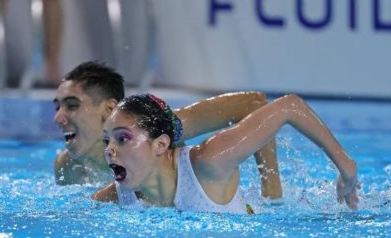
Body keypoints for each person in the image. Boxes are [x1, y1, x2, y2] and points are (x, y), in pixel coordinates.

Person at [92, 93, 359, 213]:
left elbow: (288, 106)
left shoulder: (208, 162)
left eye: (123, 139)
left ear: (161, 145)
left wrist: (346, 168)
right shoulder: (119, 193)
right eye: (107, 141)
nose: (109, 151)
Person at [53, 61, 283, 199]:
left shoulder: (160, 127)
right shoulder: (69, 167)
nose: (58, 117)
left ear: (109, 109)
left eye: (72, 105)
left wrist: (271, 190)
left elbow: (254, 103)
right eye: (58, 106)